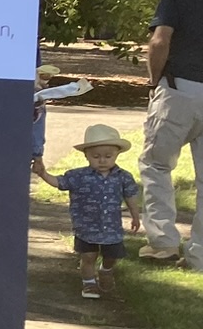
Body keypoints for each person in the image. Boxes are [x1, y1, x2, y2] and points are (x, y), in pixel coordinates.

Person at [140, 0, 203, 265]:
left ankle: (164, 242)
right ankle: (199, 256)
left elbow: (160, 41)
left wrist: (154, 81)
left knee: (156, 164)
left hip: (179, 89)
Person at [34, 123, 141, 298]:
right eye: (96, 156)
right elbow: (59, 183)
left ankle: (106, 270)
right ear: (86, 155)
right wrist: (43, 174)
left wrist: (135, 216)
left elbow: (130, 196)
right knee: (88, 257)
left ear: (117, 154)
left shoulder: (123, 177)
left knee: (112, 256)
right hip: (86, 226)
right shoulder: (78, 176)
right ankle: (89, 284)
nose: (102, 160)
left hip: (111, 227)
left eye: (108, 156)